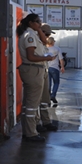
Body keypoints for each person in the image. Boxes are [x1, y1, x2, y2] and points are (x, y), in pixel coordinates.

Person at [16, 14, 57, 143]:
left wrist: (39, 29)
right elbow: (31, 56)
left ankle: (31, 130)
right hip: (33, 69)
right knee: (32, 105)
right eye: (37, 22)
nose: (40, 23)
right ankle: (30, 133)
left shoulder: (34, 34)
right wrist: (47, 58)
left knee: (33, 102)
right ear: (30, 23)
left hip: (37, 69)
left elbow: (45, 42)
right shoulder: (29, 36)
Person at [46, 36, 65, 105]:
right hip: (55, 68)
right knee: (56, 83)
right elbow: (61, 59)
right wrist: (62, 67)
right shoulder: (57, 49)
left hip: (46, 68)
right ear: (53, 42)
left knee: (48, 84)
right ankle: (53, 95)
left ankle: (48, 97)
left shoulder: (45, 49)